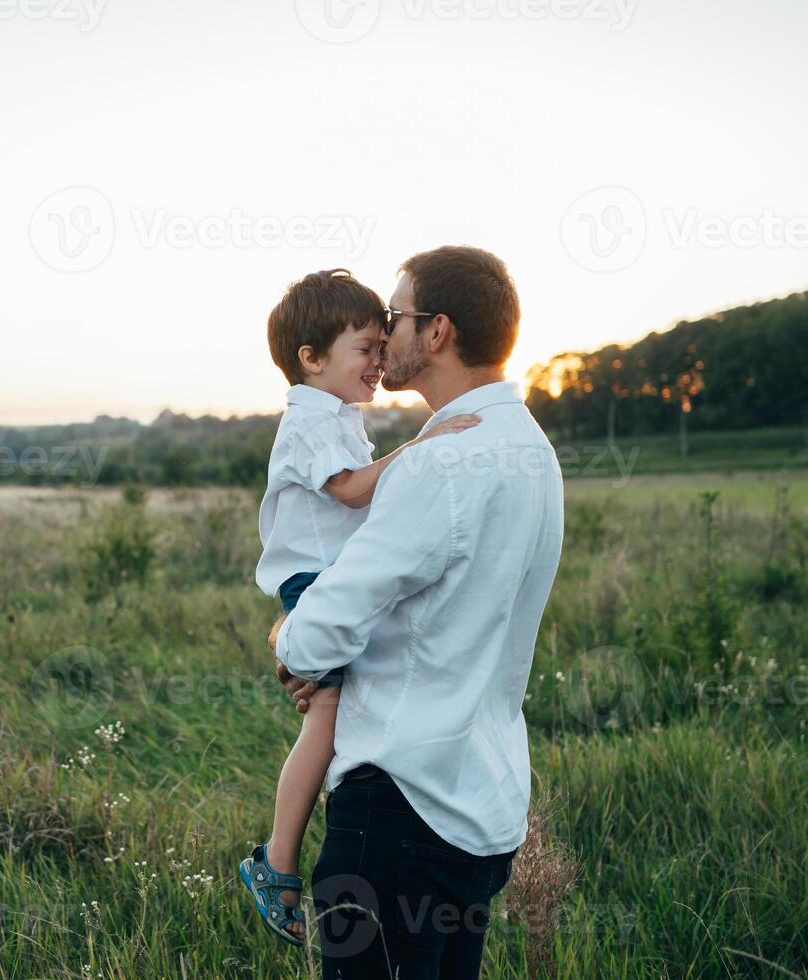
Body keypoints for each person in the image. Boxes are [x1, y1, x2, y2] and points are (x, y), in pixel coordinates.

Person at [273, 246, 565, 979]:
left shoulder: (438, 462)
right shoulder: (532, 449)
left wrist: (287, 634)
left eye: (394, 318)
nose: (383, 331)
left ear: (435, 332)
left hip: (399, 811)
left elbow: (314, 637)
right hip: (482, 805)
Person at [238, 268, 482, 946]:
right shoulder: (311, 420)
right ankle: (276, 859)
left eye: (382, 345)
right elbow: (349, 492)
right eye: (363, 349)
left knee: (336, 714)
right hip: (315, 583)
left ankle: (283, 855)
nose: (378, 362)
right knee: (325, 717)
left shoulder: (336, 413)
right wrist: (420, 447)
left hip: (330, 582)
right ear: (311, 360)